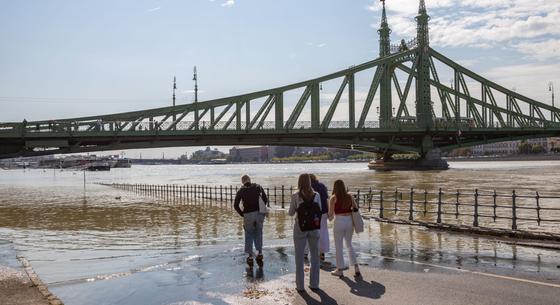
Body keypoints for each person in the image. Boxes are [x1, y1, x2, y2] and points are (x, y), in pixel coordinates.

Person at [289, 173, 322, 292]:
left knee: (299, 257)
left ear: (299, 182)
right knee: (315, 257)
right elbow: (320, 210)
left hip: (300, 228)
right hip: (314, 228)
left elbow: (291, 213)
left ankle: (300, 286)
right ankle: (314, 284)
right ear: (309, 182)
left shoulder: (295, 196)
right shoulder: (317, 195)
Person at [234, 175, 268, 268]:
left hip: (248, 214)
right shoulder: (258, 187)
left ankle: (250, 257)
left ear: (242, 182)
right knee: (259, 233)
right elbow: (265, 199)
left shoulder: (241, 190)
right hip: (259, 213)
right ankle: (260, 253)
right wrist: (260, 209)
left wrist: (242, 214)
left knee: (249, 234)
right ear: (250, 180)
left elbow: (235, 205)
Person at [328, 179, 360, 277]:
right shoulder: (349, 196)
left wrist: (327, 217)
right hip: (349, 221)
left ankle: (340, 269)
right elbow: (356, 208)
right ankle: (356, 267)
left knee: (339, 246)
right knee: (349, 244)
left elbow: (331, 215)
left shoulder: (333, 198)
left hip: (339, 221)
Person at [309, 174, 329, 262]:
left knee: (310, 231)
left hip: (312, 213)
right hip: (323, 211)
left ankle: (307, 252)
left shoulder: (309, 187)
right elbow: (326, 198)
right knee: (323, 232)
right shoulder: (322, 186)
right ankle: (322, 252)